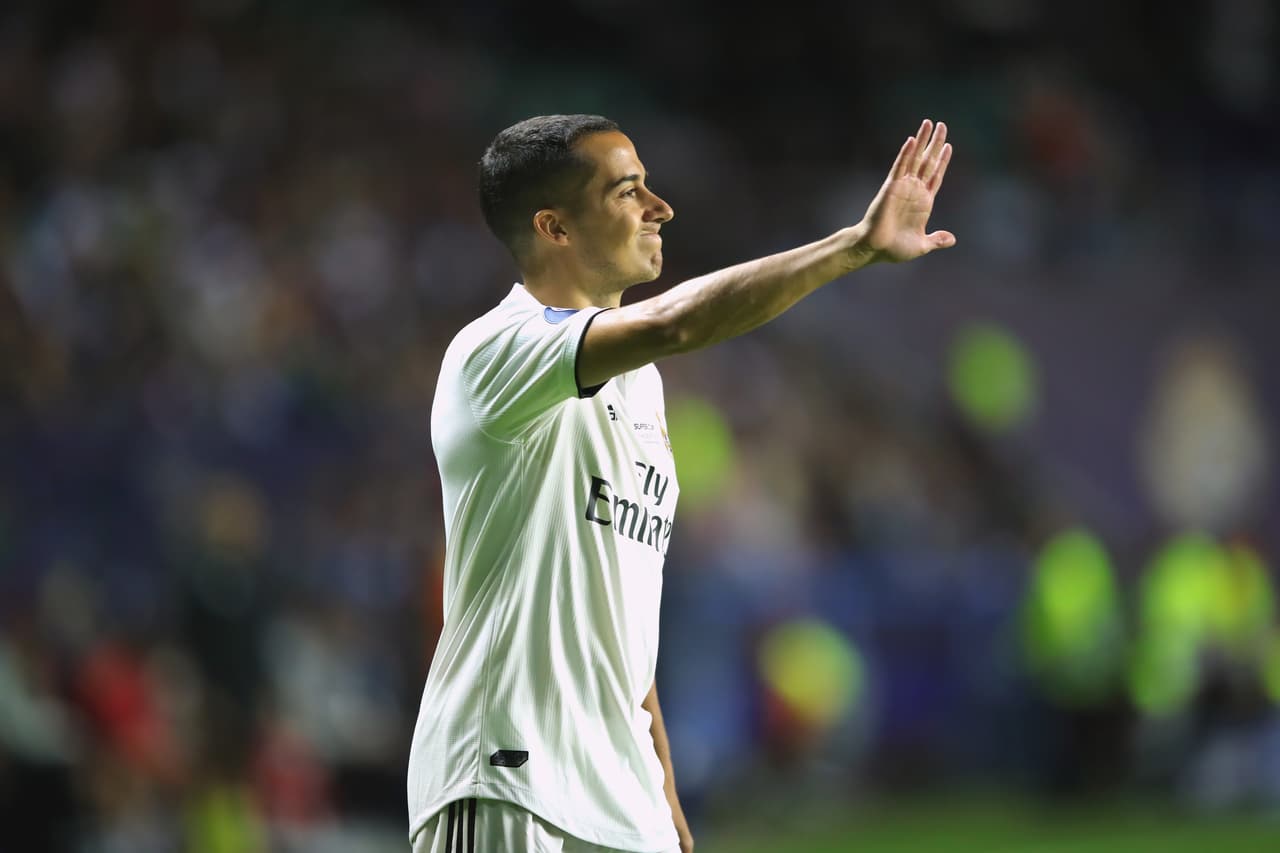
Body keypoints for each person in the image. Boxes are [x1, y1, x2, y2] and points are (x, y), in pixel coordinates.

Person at [407, 114, 954, 853]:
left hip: (625, 800)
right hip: (509, 777)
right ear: (555, 227)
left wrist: (664, 800)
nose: (659, 207)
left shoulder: (643, 389)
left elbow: (623, 623)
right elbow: (677, 323)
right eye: (628, 191)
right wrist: (852, 247)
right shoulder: (494, 351)